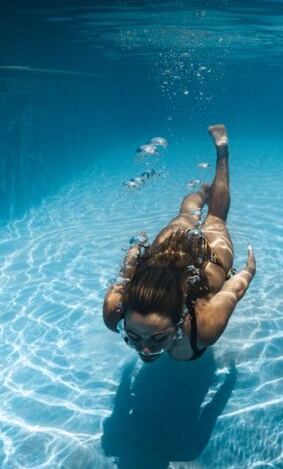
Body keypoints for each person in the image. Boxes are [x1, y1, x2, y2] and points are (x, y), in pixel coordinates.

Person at [103, 124, 256, 363]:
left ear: (181, 319)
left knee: (215, 217)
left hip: (210, 258)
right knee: (187, 214)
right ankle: (202, 192)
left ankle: (222, 153)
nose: (143, 349)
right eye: (132, 336)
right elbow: (126, 272)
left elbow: (234, 289)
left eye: (157, 339)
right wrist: (134, 252)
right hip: (162, 256)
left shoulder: (204, 327)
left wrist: (247, 272)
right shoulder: (114, 314)